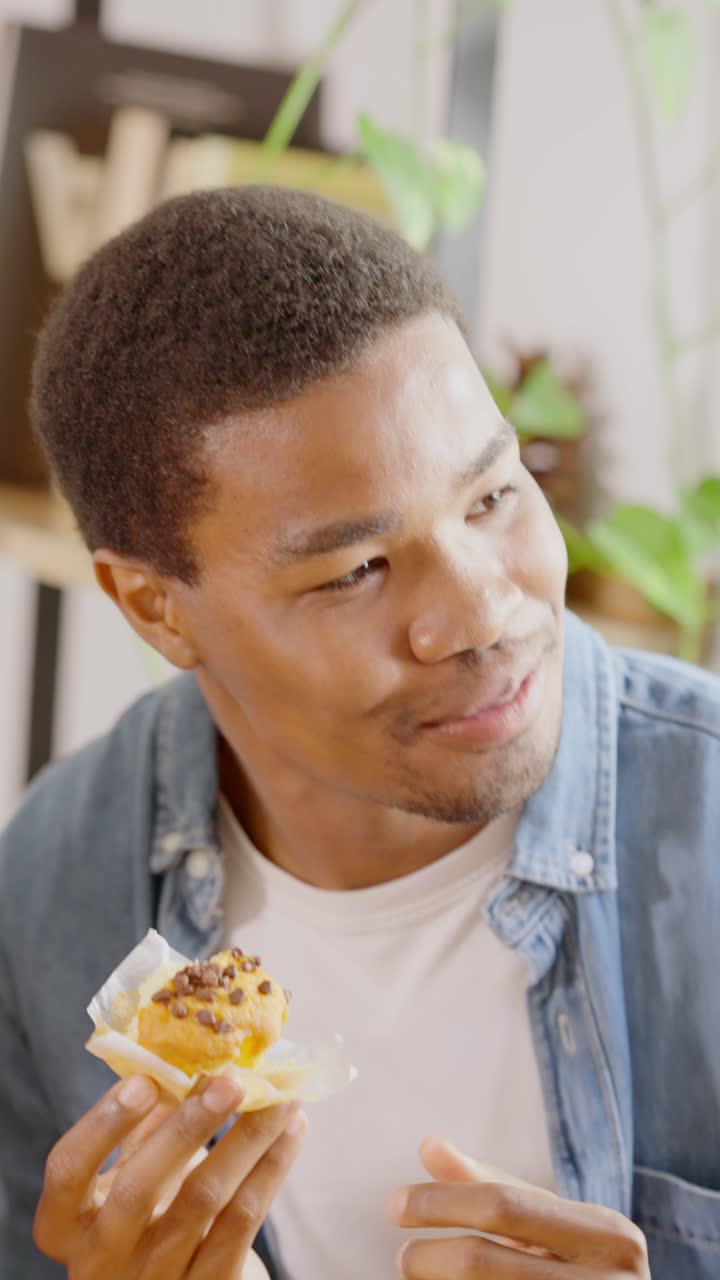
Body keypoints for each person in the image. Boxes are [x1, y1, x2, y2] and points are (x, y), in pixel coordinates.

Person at [0, 185, 718, 1280]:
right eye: (357, 570)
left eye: (492, 495)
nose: (485, 612)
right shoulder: (51, 896)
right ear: (155, 606)